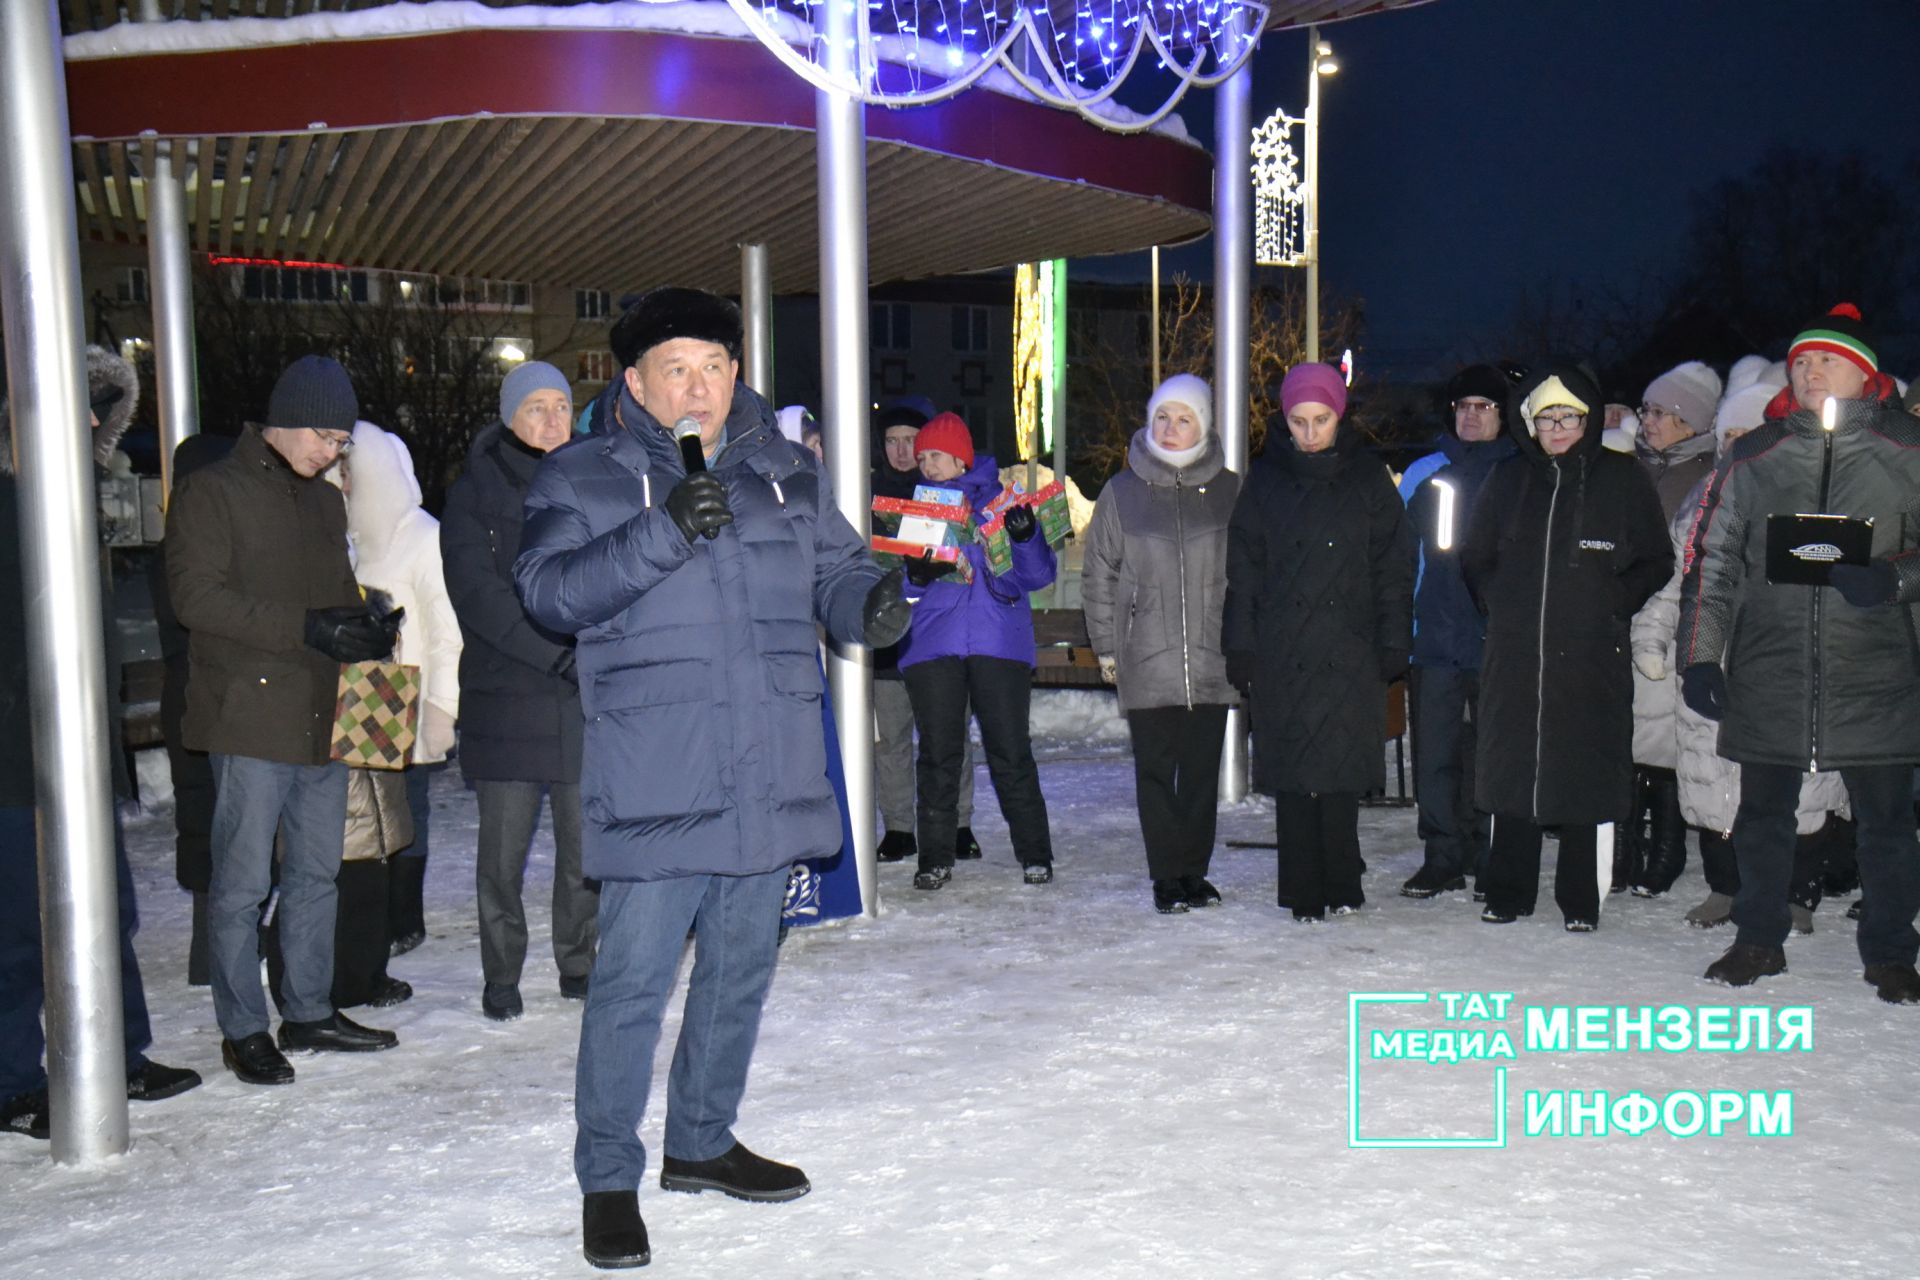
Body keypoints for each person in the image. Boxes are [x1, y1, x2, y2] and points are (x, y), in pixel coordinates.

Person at [514, 288, 911, 1269]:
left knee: (740, 972)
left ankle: (700, 1140)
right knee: (631, 985)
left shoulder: (785, 472)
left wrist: (873, 604)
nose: (699, 386)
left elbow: (836, 572)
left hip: (766, 766)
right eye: (676, 369)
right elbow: (550, 595)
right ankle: (608, 1177)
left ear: (738, 372)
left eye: (715, 366)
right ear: (637, 382)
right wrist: (661, 531)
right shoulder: (583, 474)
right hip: (660, 773)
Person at [166, 354, 403, 1086]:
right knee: (241, 884)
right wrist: (307, 627)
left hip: (322, 712)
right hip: (249, 715)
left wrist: (364, 619)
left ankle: (306, 1009)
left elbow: (331, 592)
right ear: (286, 419)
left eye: (341, 444)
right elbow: (195, 601)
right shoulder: (213, 493)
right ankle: (244, 1029)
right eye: (325, 437)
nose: (331, 453)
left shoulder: (323, 501)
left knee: (316, 874)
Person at [1678, 304, 1920, 1001]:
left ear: (1865, 371)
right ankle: (1758, 940)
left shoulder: (1908, 450)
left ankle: (1891, 950)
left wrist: (1895, 579)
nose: (1811, 371)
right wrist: (1701, 656)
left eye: (1827, 359)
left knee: (1886, 825)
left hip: (1878, 668)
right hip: (1772, 664)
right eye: (1801, 360)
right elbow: (1713, 559)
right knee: (1760, 819)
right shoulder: (1757, 454)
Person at [1, 347, 202, 1139]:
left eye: (97, 407)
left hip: (76, 753)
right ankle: (15, 1078)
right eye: (75, 406)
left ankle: (119, 1053)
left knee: (103, 910)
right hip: (15, 762)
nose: (91, 421)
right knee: (21, 925)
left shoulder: (68, 505)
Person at [1636, 357, 1848, 930]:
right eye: (1728, 433)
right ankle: (1724, 887)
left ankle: (1794, 893)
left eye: (1745, 432)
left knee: (1798, 787)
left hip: (1787, 654)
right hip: (1714, 651)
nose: (1736, 443)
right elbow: (1679, 577)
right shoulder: (1705, 495)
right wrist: (1653, 636)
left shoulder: (1811, 486)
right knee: (1712, 779)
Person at [1460, 361, 1671, 931]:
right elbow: (1474, 556)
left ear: (1589, 418)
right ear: (1528, 422)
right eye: (1545, 417)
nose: (1557, 429)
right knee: (1513, 767)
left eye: (1569, 417)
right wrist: (1499, 601)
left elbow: (1656, 558)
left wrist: (1613, 599)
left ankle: (1581, 898)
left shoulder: (1622, 478)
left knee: (1585, 768)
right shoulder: (1507, 479)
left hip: (1590, 652)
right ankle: (1507, 890)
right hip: (1517, 650)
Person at [1223, 362, 1414, 922]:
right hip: (1284, 647)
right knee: (1294, 774)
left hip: (1349, 646)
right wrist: (1242, 644)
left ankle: (1343, 882)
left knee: (1339, 771)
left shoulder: (1369, 479)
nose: (1310, 433)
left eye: (1321, 420)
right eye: (1299, 421)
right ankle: (1304, 890)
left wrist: (1393, 640)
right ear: (1284, 420)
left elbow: (1393, 567)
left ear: (1339, 417)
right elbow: (1245, 570)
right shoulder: (1264, 481)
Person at [442, 361, 598, 1022]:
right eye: (536, 407)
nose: (551, 421)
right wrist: (555, 654)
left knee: (583, 852)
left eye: (561, 407)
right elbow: (479, 597)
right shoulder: (473, 493)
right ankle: (501, 973)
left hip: (576, 701)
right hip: (507, 698)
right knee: (501, 859)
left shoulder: (591, 483)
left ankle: (579, 961)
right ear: (509, 416)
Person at [1083, 373, 1240, 914]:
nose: (1171, 429)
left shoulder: (1230, 491)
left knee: (1199, 776)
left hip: (1212, 659)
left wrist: (1246, 642)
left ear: (1203, 425)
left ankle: (1194, 873)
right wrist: (1107, 646)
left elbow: (1250, 572)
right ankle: (1166, 876)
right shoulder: (1122, 492)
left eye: (1184, 418)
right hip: (1145, 657)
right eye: (1162, 418)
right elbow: (1099, 573)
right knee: (1155, 774)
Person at [894, 412, 1058, 891]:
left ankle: (1035, 854)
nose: (926, 464)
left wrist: (1025, 536)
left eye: (935, 455)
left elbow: (1039, 575)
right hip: (934, 643)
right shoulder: (916, 510)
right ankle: (935, 858)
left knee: (1010, 751)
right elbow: (899, 588)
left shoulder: (1003, 503)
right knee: (939, 755)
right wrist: (914, 577)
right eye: (922, 457)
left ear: (961, 457)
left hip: (997, 640)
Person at [335, 420, 462, 999]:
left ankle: (402, 918)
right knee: (367, 822)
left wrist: (441, 705)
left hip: (405, 692)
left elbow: (445, 628)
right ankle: (375, 921)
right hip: (362, 692)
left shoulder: (423, 534)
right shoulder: (347, 535)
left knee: (407, 813)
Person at [1395, 363, 1517, 899]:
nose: (1471, 416)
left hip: (1500, 641)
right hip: (1437, 639)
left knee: (1493, 755)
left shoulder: (1519, 471)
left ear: (1502, 415)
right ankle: (1442, 855)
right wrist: (1405, 624)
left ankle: (1493, 858)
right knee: (1436, 755)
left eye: (1484, 407)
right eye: (1463, 406)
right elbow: (1399, 559)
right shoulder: (1425, 471)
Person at [1621, 360, 1723, 897]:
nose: (1649, 420)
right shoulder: (1629, 467)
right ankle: (1624, 844)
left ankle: (1665, 846)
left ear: (1689, 421)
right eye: (1646, 409)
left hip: (1673, 617)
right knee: (1628, 731)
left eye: (1660, 412)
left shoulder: (1708, 474)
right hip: (1624, 609)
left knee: (1666, 738)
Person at [868, 404, 979, 865]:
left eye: (910, 441)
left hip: (941, 637)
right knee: (890, 736)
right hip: (889, 639)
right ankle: (898, 828)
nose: (901, 450)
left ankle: (958, 824)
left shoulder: (950, 495)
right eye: (891, 440)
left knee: (948, 734)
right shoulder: (865, 495)